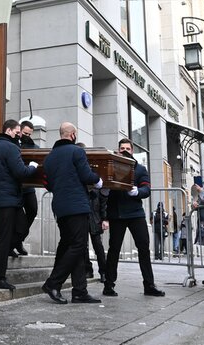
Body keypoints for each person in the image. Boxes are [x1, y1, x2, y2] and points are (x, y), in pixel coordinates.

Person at [40, 123, 102, 305]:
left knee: (74, 246)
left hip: (60, 207)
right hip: (76, 206)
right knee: (78, 245)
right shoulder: (77, 152)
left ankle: (79, 291)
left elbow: (48, 184)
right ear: (73, 134)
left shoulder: (50, 158)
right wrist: (98, 180)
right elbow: (86, 175)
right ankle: (53, 283)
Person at [102, 139, 164, 298]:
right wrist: (105, 216)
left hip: (136, 213)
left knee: (144, 248)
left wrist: (138, 192)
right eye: (122, 148)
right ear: (118, 149)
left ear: (132, 150)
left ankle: (149, 285)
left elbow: (146, 189)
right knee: (114, 250)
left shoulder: (140, 169)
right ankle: (109, 285)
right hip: (117, 214)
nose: (124, 150)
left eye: (127, 148)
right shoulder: (111, 167)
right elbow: (104, 189)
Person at [0, 120, 38, 290]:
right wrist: (33, 166)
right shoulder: (11, 148)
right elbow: (21, 172)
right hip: (8, 199)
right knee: (5, 237)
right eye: (17, 131)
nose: (19, 135)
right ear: (9, 131)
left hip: (3, 198)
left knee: (21, 229)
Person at [15, 120, 39, 256]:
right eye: (25, 133)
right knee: (16, 217)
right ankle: (15, 241)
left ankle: (19, 239)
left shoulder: (32, 145)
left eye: (30, 134)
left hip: (29, 186)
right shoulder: (14, 143)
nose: (27, 136)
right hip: (17, 186)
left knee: (33, 210)